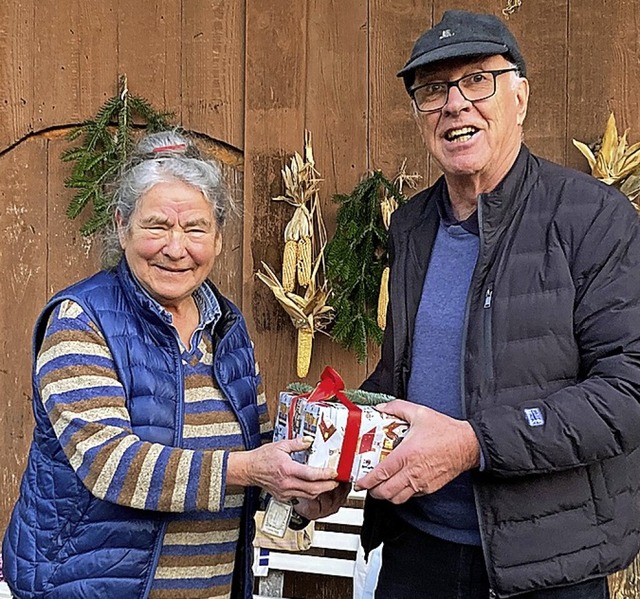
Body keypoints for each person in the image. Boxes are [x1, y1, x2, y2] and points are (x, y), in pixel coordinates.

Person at [355, 9, 640, 599]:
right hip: (419, 549)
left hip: (547, 561)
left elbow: (628, 390)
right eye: (432, 89)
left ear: (521, 96)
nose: (455, 104)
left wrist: (472, 443)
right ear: (418, 113)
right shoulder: (412, 225)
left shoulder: (592, 218)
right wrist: (339, 443)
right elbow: (404, 376)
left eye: (478, 79)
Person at [2, 130, 346, 599]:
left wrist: (299, 494)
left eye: (196, 228)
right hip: (92, 588)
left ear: (219, 238)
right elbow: (111, 463)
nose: (176, 246)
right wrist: (247, 470)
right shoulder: (81, 320)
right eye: (157, 225)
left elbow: (257, 453)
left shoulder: (226, 326)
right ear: (122, 226)